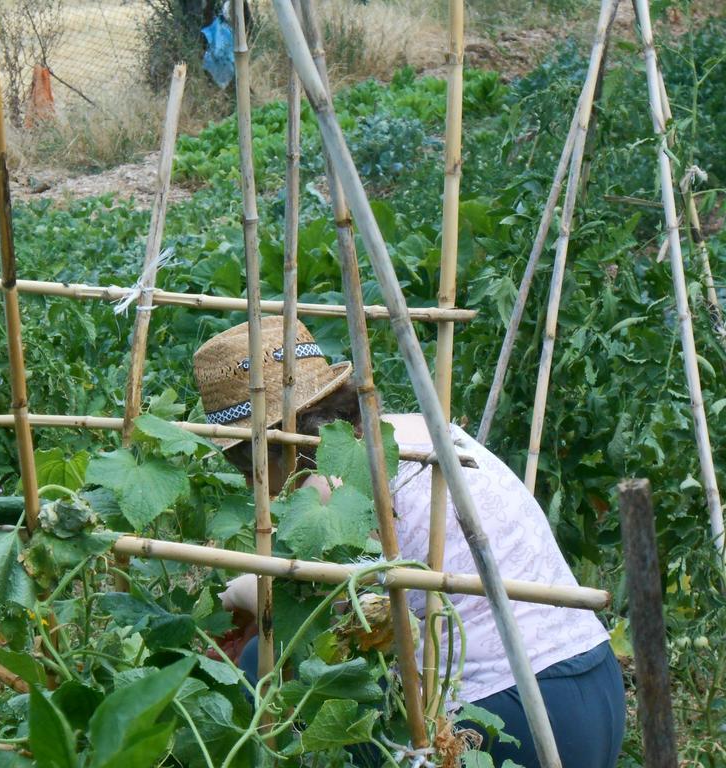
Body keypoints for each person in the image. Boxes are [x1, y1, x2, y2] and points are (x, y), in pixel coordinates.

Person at [192, 316, 626, 768]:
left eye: (250, 471)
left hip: (504, 709)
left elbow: (338, 612)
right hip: (592, 682)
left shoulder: (326, 479)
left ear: (274, 446)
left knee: (266, 683)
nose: (253, 487)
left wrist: (244, 591)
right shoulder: (416, 433)